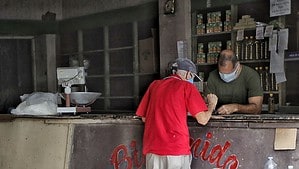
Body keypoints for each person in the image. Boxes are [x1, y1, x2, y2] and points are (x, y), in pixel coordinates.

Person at [136, 58, 218, 169]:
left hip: (152, 148)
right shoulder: (187, 87)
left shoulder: (154, 85)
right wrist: (212, 105)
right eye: (192, 77)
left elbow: (144, 118)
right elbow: (202, 119)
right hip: (175, 149)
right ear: (189, 74)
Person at [205, 49, 263, 115]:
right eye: (221, 73)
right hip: (220, 119)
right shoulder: (213, 75)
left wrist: (236, 107)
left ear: (237, 65)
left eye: (229, 73)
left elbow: (257, 109)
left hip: (246, 121)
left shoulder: (251, 75)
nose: (224, 76)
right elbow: (206, 104)